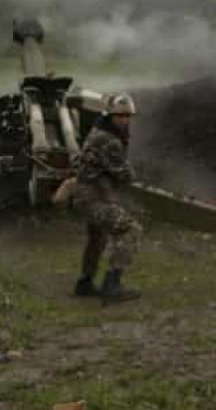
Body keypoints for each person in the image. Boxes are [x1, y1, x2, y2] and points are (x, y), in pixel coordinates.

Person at [73, 92, 142, 305]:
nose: (124, 120)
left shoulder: (100, 132)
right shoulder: (109, 140)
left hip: (89, 195)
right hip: (93, 198)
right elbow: (124, 174)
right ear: (109, 116)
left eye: (127, 116)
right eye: (120, 115)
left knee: (98, 237)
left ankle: (85, 283)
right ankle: (112, 284)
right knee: (131, 229)